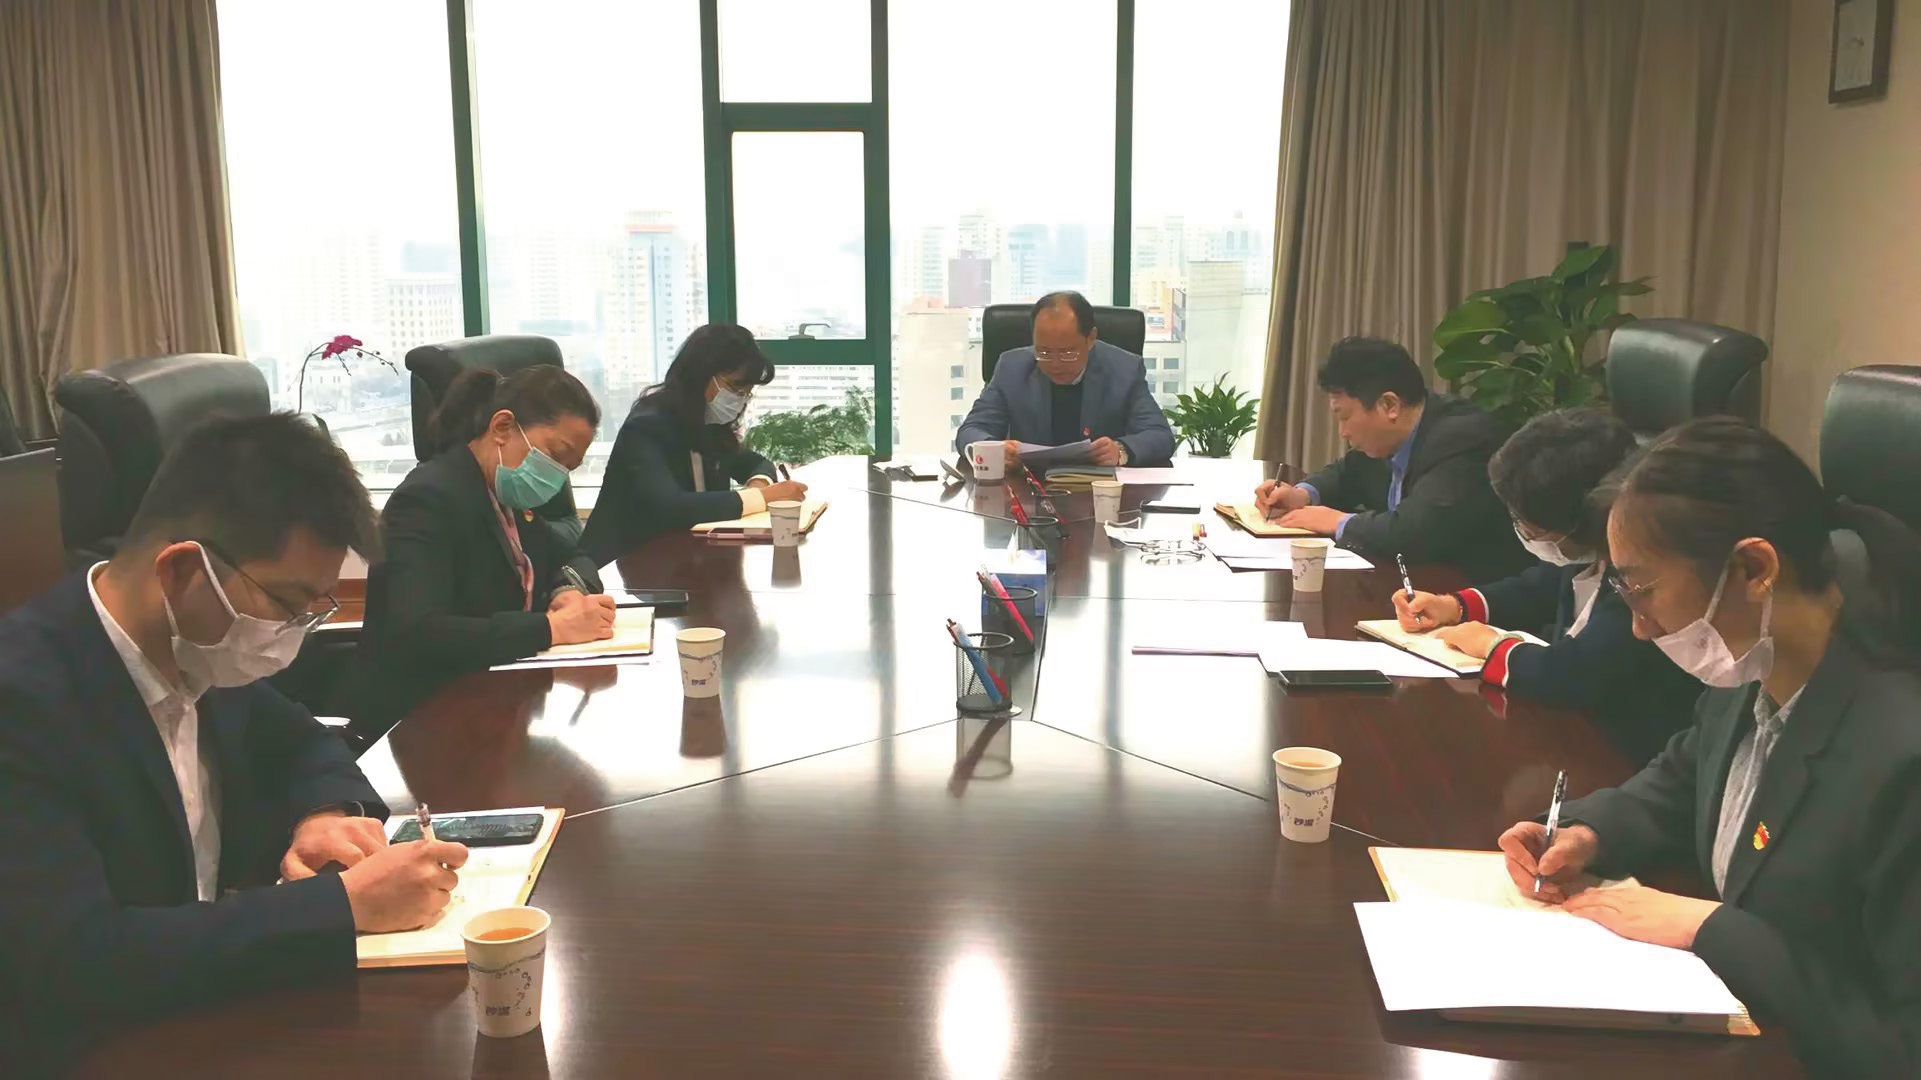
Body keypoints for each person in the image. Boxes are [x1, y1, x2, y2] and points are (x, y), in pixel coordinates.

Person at [0, 414, 470, 1070]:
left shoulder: (195, 648)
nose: (292, 632)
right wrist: (339, 908)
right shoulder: (24, 702)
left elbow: (303, 740)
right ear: (182, 571)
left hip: (220, 1016)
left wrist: (324, 815)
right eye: (289, 603)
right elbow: (77, 961)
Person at [1496, 417, 1921, 1077]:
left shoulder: (1900, 755)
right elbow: (1683, 777)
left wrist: (1708, 929)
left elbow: (1903, 1045)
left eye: (1642, 591)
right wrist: (1586, 831)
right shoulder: (1756, 664)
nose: (1639, 629)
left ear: (1754, 568)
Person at [1391, 409, 1700, 760]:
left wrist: (1492, 646)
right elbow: (1538, 588)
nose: (1521, 530)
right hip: (1571, 731)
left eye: (1528, 523)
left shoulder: (1639, 582)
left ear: (1585, 518)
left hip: (1622, 749)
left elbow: (1573, 674)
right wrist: (1456, 606)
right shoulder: (1584, 552)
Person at [336, 365, 615, 743]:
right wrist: (551, 628)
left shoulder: (508, 497)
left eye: (568, 468)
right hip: (419, 722)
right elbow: (417, 632)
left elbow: (576, 552)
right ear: (502, 427)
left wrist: (567, 590)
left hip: (496, 705)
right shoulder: (427, 500)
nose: (556, 476)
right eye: (555, 455)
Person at [1253, 337, 1531, 580]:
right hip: (1413, 587)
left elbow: (1412, 534)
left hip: (1472, 598)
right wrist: (1302, 495)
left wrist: (1336, 521)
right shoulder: (1390, 438)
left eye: (1345, 416)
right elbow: (1346, 472)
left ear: (1389, 405)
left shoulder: (1462, 440)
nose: (1343, 432)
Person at [581, 324, 808, 564]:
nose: (739, 400)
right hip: (625, 564)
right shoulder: (645, 426)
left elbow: (757, 464)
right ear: (699, 375)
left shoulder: (710, 424)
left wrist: (759, 485)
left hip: (690, 558)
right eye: (735, 388)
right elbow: (670, 506)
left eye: (746, 393)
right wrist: (761, 498)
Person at [953, 290, 1175, 468]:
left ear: (1091, 338)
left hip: (1098, 494)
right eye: (1044, 352)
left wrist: (1120, 450)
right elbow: (971, 430)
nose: (1055, 363)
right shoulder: (1011, 367)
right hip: (1028, 491)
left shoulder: (1124, 369)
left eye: (1068, 353)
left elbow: (1160, 436)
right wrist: (994, 449)